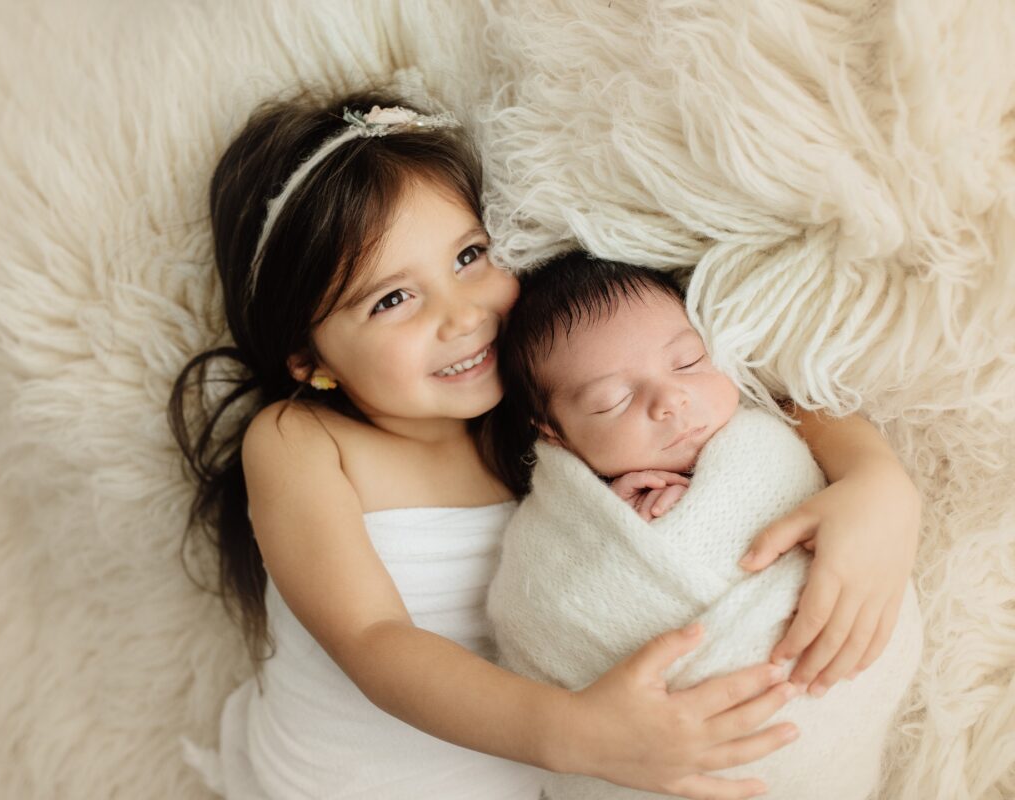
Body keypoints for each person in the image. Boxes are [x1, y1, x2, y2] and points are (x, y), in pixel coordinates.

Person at [168, 87, 920, 799]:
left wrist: (877, 485)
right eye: (393, 298)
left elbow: (756, 404)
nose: (462, 314)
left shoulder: (544, 414)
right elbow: (372, 638)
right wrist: (574, 731)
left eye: (468, 257)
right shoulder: (302, 440)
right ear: (311, 361)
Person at [485, 252, 923, 799]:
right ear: (552, 432)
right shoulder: (550, 537)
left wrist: (876, 481)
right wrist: (616, 536)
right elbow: (542, 624)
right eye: (612, 400)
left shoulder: (774, 436)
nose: (670, 399)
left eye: (688, 362)